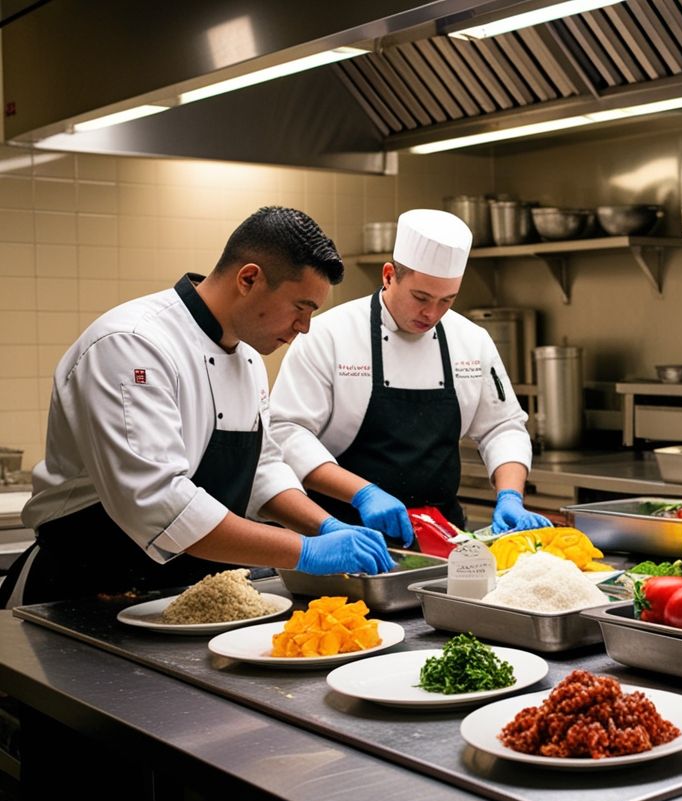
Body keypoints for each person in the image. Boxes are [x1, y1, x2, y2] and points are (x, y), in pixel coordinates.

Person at [11, 207, 392, 606]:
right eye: (301, 307)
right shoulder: (132, 344)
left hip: (180, 592)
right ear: (248, 278)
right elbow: (159, 503)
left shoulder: (246, 358)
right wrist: (305, 551)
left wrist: (323, 525)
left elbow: (263, 470)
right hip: (81, 592)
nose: (305, 327)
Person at [270, 209, 548, 542]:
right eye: (421, 297)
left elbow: (502, 426)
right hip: (343, 532)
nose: (432, 313)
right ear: (389, 275)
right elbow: (288, 432)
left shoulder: (471, 340)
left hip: (444, 538)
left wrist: (510, 496)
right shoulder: (329, 335)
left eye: (447, 300)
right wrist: (363, 493)